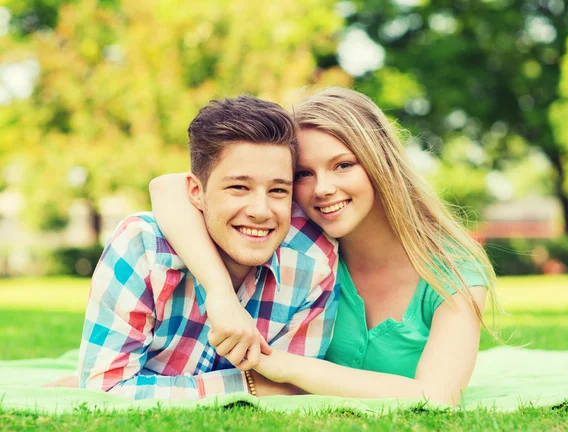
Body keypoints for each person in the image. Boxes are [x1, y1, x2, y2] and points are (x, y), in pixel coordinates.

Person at [150, 87, 500, 406]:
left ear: (381, 164)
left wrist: (286, 368)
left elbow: (438, 397)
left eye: (343, 165)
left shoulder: (453, 270)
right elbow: (168, 188)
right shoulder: (296, 230)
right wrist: (219, 294)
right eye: (304, 173)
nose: (322, 189)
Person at [75, 95, 339, 400]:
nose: (261, 210)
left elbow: (293, 386)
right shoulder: (142, 248)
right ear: (196, 192)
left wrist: (148, 386)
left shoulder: (313, 261)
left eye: (278, 190)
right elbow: (104, 392)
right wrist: (248, 387)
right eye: (239, 187)